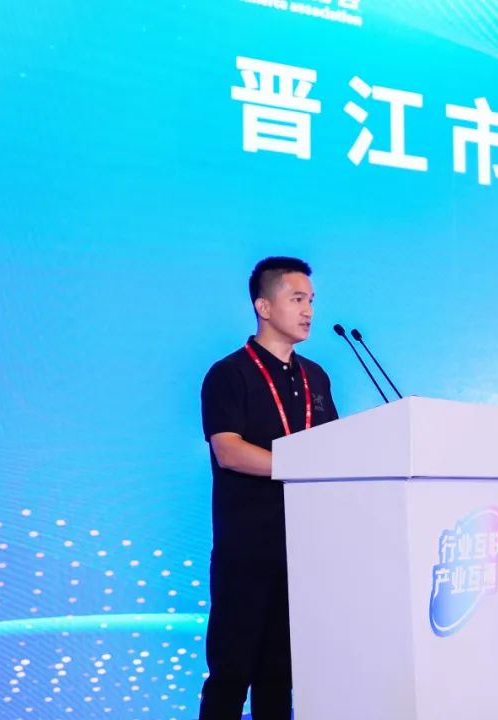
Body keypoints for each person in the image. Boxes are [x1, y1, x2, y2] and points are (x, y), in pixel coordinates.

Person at [198, 256, 339, 719]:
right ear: (263, 306)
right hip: (247, 549)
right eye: (297, 299)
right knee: (231, 672)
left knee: (280, 674)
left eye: (311, 300)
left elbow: (334, 447)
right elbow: (229, 451)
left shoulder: (316, 376)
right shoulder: (229, 374)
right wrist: (300, 465)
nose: (308, 311)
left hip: (304, 549)